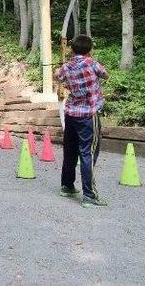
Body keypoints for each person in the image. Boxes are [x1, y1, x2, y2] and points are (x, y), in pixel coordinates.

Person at [54, 34, 109, 207]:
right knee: (88, 153)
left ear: (72, 49)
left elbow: (57, 76)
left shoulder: (67, 66)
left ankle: (67, 186)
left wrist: (65, 68)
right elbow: (105, 75)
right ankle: (89, 196)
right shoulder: (92, 63)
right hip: (88, 115)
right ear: (90, 50)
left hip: (71, 114)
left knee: (70, 151)